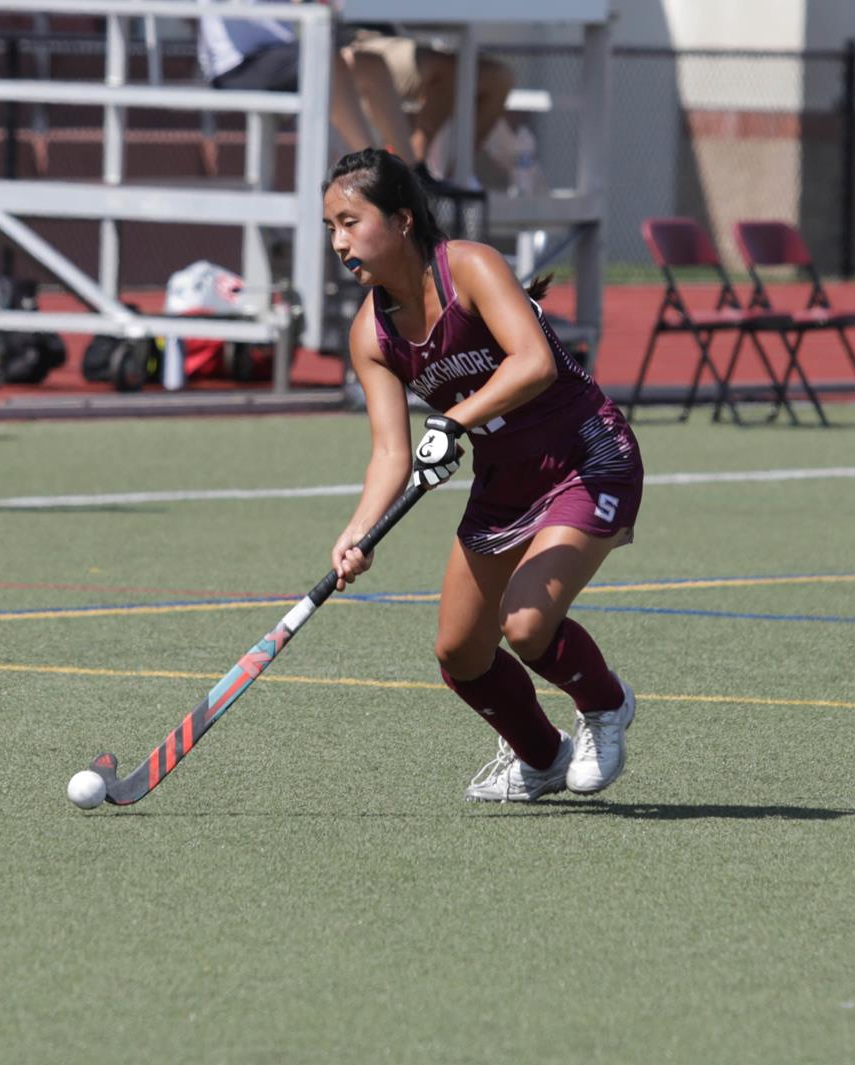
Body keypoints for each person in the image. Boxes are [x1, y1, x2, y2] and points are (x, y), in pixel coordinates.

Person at [321, 149, 643, 802]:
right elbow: (390, 452)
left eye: (350, 222)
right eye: (331, 227)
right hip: (505, 484)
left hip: (586, 458)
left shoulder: (469, 267)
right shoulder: (371, 335)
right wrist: (359, 533)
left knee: (525, 623)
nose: (339, 242)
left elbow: (534, 363)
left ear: (403, 219)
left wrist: (456, 420)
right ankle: (542, 756)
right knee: (461, 653)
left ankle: (605, 705)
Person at [197, 0, 425, 170]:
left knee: (370, 64)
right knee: (326, 61)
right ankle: (373, 174)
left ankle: (412, 176)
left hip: (280, 52)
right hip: (236, 66)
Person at [342, 27, 515, 181]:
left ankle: (444, 180)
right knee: (450, 70)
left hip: (403, 36)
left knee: (497, 77)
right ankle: (413, 169)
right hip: (358, 39)